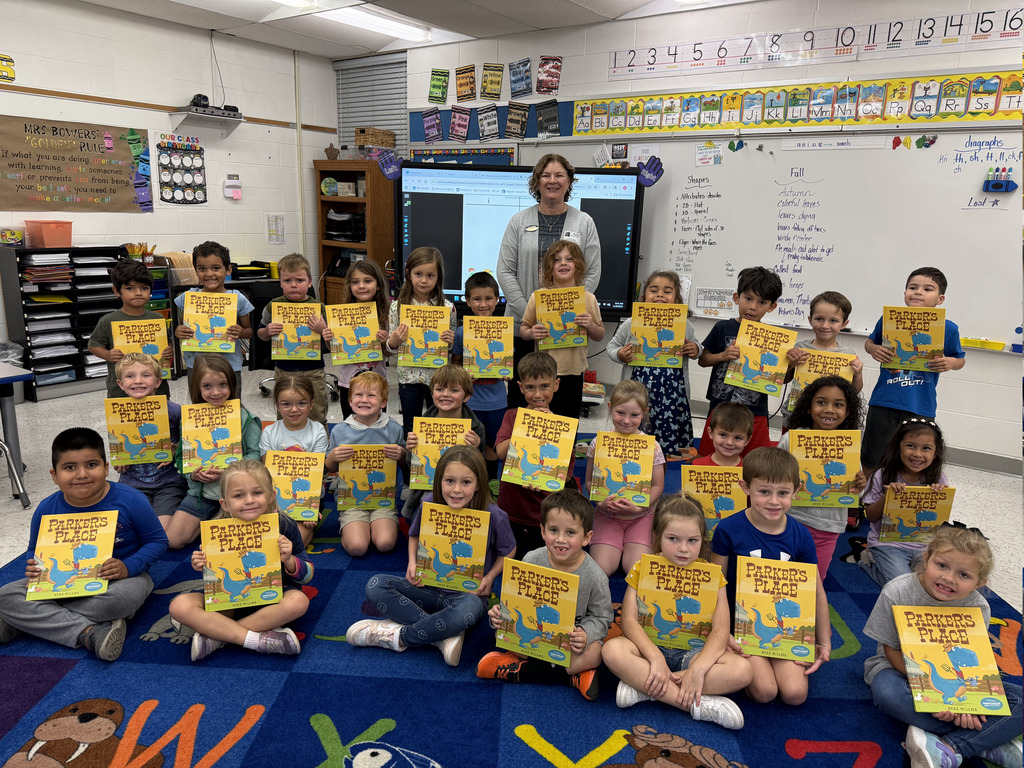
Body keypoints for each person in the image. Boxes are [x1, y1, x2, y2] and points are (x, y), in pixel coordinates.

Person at [0, 428, 168, 661]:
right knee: (5, 595)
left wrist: (128, 567)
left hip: (121, 580)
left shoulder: (131, 500)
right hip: (61, 583)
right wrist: (34, 564)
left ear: (106, 468)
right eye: (70, 467)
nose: (82, 474)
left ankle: (26, 621)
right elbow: (34, 549)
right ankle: (88, 632)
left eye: (91, 465)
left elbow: (158, 541)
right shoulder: (47, 508)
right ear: (54, 475)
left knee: (119, 601)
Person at [863, 525, 1023, 768]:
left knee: (1020, 699)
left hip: (959, 682)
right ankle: (985, 740)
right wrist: (939, 696)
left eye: (964, 575)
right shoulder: (897, 591)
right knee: (886, 692)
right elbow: (891, 650)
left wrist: (965, 701)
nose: (949, 578)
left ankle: (953, 745)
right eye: (942, 565)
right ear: (927, 558)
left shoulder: (978, 607)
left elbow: (975, 659)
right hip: (898, 669)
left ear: (980, 582)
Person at [347, 447, 515, 667]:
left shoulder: (494, 514)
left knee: (469, 610)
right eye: (449, 481)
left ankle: (400, 637)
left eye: (466, 482)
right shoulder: (430, 502)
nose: (456, 490)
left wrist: (490, 576)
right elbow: (414, 535)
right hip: (425, 588)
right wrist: (412, 563)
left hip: (466, 596)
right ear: (439, 481)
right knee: (375, 585)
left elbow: (508, 550)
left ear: (478, 484)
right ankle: (441, 636)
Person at [602, 493, 751, 728]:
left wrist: (698, 670)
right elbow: (629, 621)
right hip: (648, 651)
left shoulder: (713, 575)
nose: (683, 549)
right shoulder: (642, 568)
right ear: (657, 536)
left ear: (702, 540)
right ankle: (694, 705)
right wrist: (655, 658)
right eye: (673, 539)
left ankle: (646, 688)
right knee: (611, 650)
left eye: (692, 540)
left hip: (693, 654)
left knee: (742, 670)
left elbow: (721, 630)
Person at [710, 447, 830, 705]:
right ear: (745, 487)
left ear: (796, 491)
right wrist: (721, 632)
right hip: (741, 625)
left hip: (786, 628)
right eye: (764, 491)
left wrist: (824, 641)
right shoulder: (727, 529)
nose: (774, 501)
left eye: (783, 493)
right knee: (765, 692)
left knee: (795, 694)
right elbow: (715, 585)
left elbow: (817, 592)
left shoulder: (801, 535)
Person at [476, 489, 613, 701]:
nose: (560, 539)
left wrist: (586, 633)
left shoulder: (595, 576)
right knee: (500, 633)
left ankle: (520, 670)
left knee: (595, 652)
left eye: (570, 533)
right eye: (553, 530)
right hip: (535, 636)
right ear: (542, 531)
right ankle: (572, 677)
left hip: (570, 644)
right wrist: (500, 615)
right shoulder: (530, 560)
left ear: (587, 537)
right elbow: (515, 602)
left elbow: (602, 617)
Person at [169, 460, 312, 661]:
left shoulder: (284, 524)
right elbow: (216, 578)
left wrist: (289, 560)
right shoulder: (216, 528)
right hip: (229, 602)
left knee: (299, 602)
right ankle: (255, 639)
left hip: (273, 600)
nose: (249, 500)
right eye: (238, 495)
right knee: (179, 606)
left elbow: (307, 575)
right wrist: (201, 564)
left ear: (272, 495)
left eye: (257, 492)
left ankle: (220, 635)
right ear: (224, 504)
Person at [497, 153, 601, 409]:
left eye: (559, 175)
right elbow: (505, 271)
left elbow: (592, 271)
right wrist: (533, 313)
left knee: (563, 404)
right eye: (546, 175)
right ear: (537, 181)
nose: (552, 180)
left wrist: (568, 309)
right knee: (523, 404)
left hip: (566, 332)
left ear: (569, 181)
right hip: (524, 330)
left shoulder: (585, 222)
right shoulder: (518, 221)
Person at [862, 267, 965, 472]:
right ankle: (868, 491)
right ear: (905, 293)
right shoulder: (889, 320)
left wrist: (950, 363)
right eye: (913, 287)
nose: (918, 292)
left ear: (940, 299)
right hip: (884, 400)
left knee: (912, 458)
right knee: (872, 455)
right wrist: (873, 349)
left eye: (928, 289)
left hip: (920, 405)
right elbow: (869, 342)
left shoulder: (948, 328)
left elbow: (960, 359)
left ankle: (899, 491)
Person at [164, 354, 263, 549]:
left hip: (239, 495)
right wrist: (192, 474)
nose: (216, 392)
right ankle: (213, 519)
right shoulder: (190, 419)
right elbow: (182, 457)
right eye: (207, 386)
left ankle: (219, 520)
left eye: (222, 385)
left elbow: (256, 455)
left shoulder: (245, 418)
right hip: (202, 495)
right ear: (197, 388)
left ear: (232, 385)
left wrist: (230, 472)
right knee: (173, 541)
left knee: (237, 544)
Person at [776, 376, 866, 580]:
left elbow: (855, 492)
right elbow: (773, 476)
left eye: (838, 404)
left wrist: (861, 485)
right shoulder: (791, 439)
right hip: (790, 521)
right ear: (808, 408)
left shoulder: (848, 446)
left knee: (814, 580)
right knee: (782, 576)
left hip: (828, 527)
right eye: (821, 402)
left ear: (848, 411)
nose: (829, 409)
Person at [606, 270, 702, 457]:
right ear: (643, 297)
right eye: (654, 290)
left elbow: (698, 347)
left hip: (672, 396)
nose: (660, 295)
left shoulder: (685, 325)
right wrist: (619, 354)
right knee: (636, 431)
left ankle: (662, 466)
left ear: (676, 300)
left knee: (667, 439)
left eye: (667, 291)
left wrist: (695, 349)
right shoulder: (632, 323)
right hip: (638, 392)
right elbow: (612, 346)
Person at [494, 351, 576, 557]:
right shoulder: (512, 416)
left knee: (542, 560)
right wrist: (524, 425)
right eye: (530, 387)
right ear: (521, 387)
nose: (538, 395)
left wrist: (541, 478)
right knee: (508, 558)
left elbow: (566, 474)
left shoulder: (563, 426)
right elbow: (500, 452)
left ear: (556, 385)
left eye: (544, 386)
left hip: (543, 511)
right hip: (511, 509)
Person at [697, 266, 783, 457]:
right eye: (748, 299)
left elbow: (782, 379)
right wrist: (723, 356)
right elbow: (703, 360)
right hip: (721, 406)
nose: (753, 307)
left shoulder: (772, 338)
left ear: (771, 307)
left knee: (757, 462)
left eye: (762, 302)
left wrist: (790, 363)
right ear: (737, 298)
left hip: (755, 411)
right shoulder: (722, 327)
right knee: (709, 459)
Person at [585, 380, 665, 576]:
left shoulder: (652, 447)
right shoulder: (597, 443)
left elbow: (658, 486)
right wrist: (600, 503)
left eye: (634, 415)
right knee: (601, 568)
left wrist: (639, 508)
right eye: (620, 413)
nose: (626, 421)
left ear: (644, 413)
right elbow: (589, 481)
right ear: (610, 407)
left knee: (636, 570)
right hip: (608, 515)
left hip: (642, 517)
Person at [520, 240, 604, 418]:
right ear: (549, 268)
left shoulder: (588, 299)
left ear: (578, 265)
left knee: (569, 422)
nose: (563, 263)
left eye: (569, 259)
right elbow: (524, 329)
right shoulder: (538, 297)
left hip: (574, 371)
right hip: (544, 373)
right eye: (557, 260)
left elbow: (599, 334)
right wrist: (531, 333)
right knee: (542, 419)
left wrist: (590, 325)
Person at [325, 371, 406, 556]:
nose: (364, 400)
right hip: (352, 500)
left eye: (371, 395)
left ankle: (376, 524)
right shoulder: (340, 430)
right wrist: (333, 457)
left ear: (383, 402)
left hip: (383, 499)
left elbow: (404, 464)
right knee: (357, 547)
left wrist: (401, 454)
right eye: (359, 395)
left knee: (385, 544)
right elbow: (331, 468)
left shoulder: (393, 429)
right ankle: (351, 526)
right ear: (350, 401)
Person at [860, 418, 948, 588]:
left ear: (935, 452)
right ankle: (869, 563)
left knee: (934, 583)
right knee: (902, 585)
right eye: (910, 446)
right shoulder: (882, 475)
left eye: (926, 448)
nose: (917, 454)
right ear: (898, 447)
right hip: (887, 544)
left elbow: (938, 520)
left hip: (924, 545)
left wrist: (941, 496)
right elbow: (870, 516)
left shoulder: (938, 479)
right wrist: (888, 497)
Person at [255, 253, 332, 427]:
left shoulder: (319, 308)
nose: (294, 285)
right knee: (285, 411)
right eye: (287, 280)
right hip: (284, 370)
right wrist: (267, 331)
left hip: (313, 370)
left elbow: (332, 342)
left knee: (316, 410)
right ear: (280, 283)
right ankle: (284, 441)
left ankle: (319, 441)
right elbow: (260, 333)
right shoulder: (273, 307)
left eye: (300, 280)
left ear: (310, 282)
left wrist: (323, 329)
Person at [385, 246, 456, 436]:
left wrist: (450, 341)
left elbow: (450, 347)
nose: (424, 280)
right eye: (418, 274)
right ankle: (411, 457)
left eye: (430, 275)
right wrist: (393, 341)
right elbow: (390, 348)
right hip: (408, 378)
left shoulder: (447, 308)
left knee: (438, 425)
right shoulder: (397, 307)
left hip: (438, 378)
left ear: (438, 277)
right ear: (408, 274)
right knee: (411, 427)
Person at [111, 352, 187, 520]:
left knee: (162, 526)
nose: (138, 381)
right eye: (130, 376)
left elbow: (191, 438)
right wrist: (120, 461)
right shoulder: (116, 415)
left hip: (169, 483)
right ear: (120, 384)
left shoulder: (174, 411)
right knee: (130, 525)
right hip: (132, 483)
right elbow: (118, 446)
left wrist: (177, 449)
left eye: (146, 375)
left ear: (158, 381)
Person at [403, 365, 485, 520]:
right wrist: (411, 450)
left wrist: (475, 450)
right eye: (439, 389)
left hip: (462, 493)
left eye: (454, 390)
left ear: (466, 396)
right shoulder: (422, 425)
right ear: (432, 393)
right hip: (427, 491)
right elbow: (412, 466)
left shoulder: (475, 428)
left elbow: (480, 469)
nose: (445, 394)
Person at [259, 374, 329, 548]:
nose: (294, 409)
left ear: (311, 404)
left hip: (307, 499)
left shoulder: (318, 431)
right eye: (286, 404)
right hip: (275, 499)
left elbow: (317, 474)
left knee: (296, 544)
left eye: (302, 403)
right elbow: (267, 472)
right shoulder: (269, 433)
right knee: (266, 541)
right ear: (277, 405)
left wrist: (310, 508)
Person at [88, 258, 173, 399]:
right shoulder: (108, 320)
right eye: (130, 288)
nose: (138, 293)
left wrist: (169, 350)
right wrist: (108, 355)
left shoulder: (158, 318)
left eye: (144, 288)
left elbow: (167, 342)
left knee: (160, 413)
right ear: (117, 291)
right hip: (121, 391)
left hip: (156, 389)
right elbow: (93, 345)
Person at [451, 270, 508, 480]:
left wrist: (507, 371)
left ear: (497, 299)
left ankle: (491, 482)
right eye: (477, 299)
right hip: (471, 402)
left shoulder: (504, 330)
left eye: (488, 298)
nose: (483, 304)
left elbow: (508, 362)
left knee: (492, 445)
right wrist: (463, 375)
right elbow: (455, 364)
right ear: (467, 301)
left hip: (497, 401)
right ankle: (471, 481)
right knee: (469, 445)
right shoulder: (461, 332)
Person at [173, 241, 254, 386]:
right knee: (199, 399)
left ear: (228, 269)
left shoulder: (237, 298)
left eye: (216, 268)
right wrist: (179, 331)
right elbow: (181, 327)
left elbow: (249, 331)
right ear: (196, 270)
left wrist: (241, 332)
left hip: (229, 365)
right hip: (197, 364)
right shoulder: (189, 297)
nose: (209, 274)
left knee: (232, 399)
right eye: (202, 269)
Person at [782, 290, 864, 430]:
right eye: (819, 319)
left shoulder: (848, 355)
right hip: (796, 414)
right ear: (810, 320)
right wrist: (790, 365)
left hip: (830, 420)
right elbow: (783, 380)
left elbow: (853, 391)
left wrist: (858, 374)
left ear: (844, 324)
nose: (825, 325)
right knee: (789, 444)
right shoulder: (799, 348)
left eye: (833, 320)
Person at [336, 259, 391, 419]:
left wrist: (386, 341)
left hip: (377, 382)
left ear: (378, 285)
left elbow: (389, 353)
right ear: (349, 286)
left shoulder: (386, 315)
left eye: (367, 281)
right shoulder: (341, 315)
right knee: (349, 424)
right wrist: (328, 338)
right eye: (355, 282)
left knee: (377, 424)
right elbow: (336, 351)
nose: (361, 286)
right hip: (349, 382)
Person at [691, 403, 752, 468]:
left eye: (738, 438)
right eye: (723, 435)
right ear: (711, 433)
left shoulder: (749, 470)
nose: (729, 442)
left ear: (747, 440)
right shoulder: (697, 465)